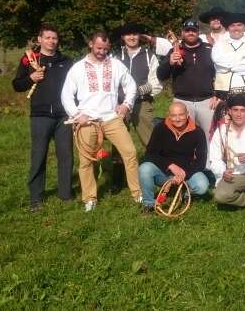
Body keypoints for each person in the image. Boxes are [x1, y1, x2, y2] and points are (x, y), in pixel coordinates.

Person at [60, 31, 141, 212]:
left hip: (111, 118)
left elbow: (131, 85)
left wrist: (126, 105)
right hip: (87, 120)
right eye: (98, 48)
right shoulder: (78, 68)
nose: (102, 52)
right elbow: (66, 95)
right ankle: (90, 198)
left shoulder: (116, 65)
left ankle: (137, 194)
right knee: (87, 161)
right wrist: (76, 115)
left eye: (105, 49)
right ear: (90, 44)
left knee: (130, 153)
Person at [12, 23, 74, 212]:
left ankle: (65, 194)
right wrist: (31, 78)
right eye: (47, 38)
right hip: (40, 115)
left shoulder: (66, 61)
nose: (51, 41)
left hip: (64, 116)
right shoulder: (29, 59)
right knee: (39, 156)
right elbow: (17, 85)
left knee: (66, 156)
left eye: (54, 38)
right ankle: (36, 198)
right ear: (39, 40)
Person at [138, 102, 209, 213]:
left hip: (186, 173)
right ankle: (148, 204)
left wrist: (184, 173)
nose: (177, 119)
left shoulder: (198, 132)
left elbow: (201, 161)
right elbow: (150, 154)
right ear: (169, 115)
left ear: (187, 114)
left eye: (181, 115)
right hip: (164, 172)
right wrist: (170, 165)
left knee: (202, 186)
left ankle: (185, 192)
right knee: (144, 168)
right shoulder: (160, 128)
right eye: (174, 115)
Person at [156, 18, 217, 138]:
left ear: (198, 32)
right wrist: (170, 63)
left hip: (207, 101)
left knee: (210, 136)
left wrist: (217, 94)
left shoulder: (209, 49)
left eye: (193, 30)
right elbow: (161, 75)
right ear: (182, 33)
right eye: (187, 30)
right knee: (183, 136)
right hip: (182, 101)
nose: (190, 33)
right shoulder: (174, 50)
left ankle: (207, 152)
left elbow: (219, 74)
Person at [113, 22, 162, 146]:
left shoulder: (149, 56)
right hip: (120, 104)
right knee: (119, 143)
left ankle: (154, 158)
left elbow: (156, 83)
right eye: (128, 34)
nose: (132, 37)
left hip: (142, 102)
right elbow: (111, 82)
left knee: (151, 141)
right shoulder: (115, 57)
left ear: (139, 36)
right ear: (123, 37)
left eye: (135, 34)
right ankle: (120, 159)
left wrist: (136, 92)